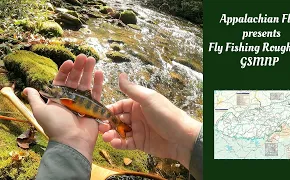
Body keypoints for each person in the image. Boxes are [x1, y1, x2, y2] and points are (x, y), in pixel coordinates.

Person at [23, 54, 203, 180]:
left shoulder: (63, 96)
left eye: (49, 90)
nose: (46, 91)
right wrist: (189, 140)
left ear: (58, 92)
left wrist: (185, 137)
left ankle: (120, 126)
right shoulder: (62, 97)